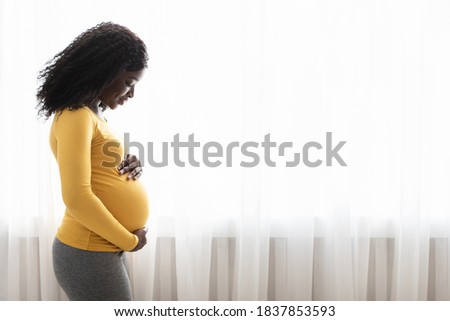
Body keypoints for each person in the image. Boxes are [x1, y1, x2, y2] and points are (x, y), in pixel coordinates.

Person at [36, 22, 150, 300]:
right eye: (128, 83)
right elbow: (77, 197)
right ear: (105, 72)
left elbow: (99, 169)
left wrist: (130, 164)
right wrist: (130, 241)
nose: (131, 94)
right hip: (88, 250)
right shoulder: (75, 115)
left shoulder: (92, 114)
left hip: (101, 247)